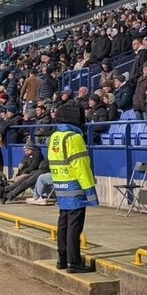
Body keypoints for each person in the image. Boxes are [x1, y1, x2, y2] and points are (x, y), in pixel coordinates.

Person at [47, 116, 98, 272]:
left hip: (60, 185)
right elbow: (81, 166)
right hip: (75, 187)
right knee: (74, 226)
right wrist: (90, 191)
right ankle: (73, 262)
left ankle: (62, 259)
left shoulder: (55, 136)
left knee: (63, 222)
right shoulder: (74, 137)